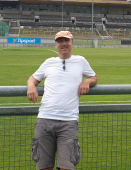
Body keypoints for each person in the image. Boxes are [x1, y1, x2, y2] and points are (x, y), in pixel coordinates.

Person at [27, 31, 98, 170]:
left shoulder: (81, 61)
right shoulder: (49, 62)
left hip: (69, 122)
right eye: (60, 41)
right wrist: (31, 86)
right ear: (55, 44)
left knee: (67, 166)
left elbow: (94, 77)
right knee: (44, 166)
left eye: (66, 40)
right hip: (44, 120)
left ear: (72, 43)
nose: (63, 44)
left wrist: (87, 81)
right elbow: (33, 78)